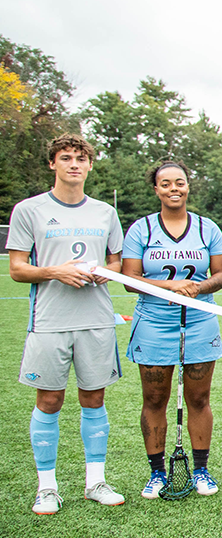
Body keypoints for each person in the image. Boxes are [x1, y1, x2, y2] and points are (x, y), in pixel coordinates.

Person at [8, 133, 125, 514]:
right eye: (66, 158)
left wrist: (105, 273)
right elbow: (17, 269)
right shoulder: (29, 210)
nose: (74, 164)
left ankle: (95, 482)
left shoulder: (105, 212)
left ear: (90, 165)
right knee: (50, 400)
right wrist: (55, 272)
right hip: (50, 321)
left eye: (80, 158)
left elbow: (116, 263)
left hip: (96, 319)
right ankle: (47, 487)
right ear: (52, 164)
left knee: (94, 397)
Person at [120, 160, 222, 500]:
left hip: (198, 323)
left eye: (179, 182)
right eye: (165, 183)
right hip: (154, 323)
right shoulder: (142, 229)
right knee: (155, 398)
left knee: (199, 398)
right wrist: (170, 286)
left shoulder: (206, 227)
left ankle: (200, 469)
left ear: (187, 186)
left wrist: (196, 288)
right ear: (156, 189)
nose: (173, 189)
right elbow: (129, 280)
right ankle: (156, 472)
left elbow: (221, 276)